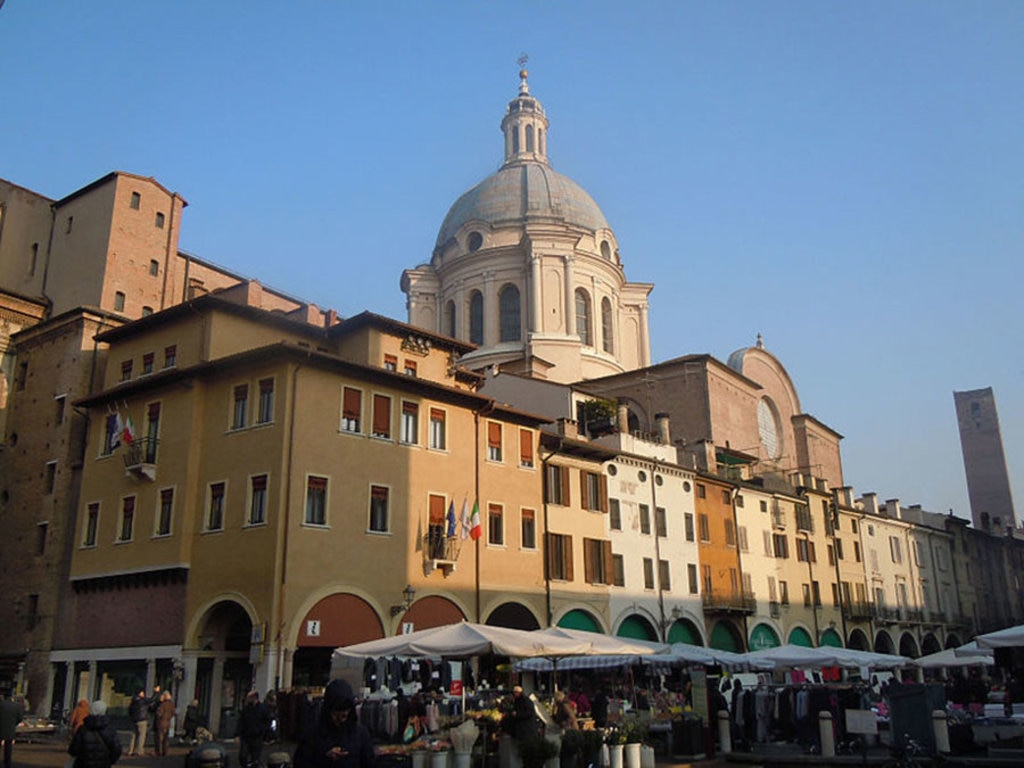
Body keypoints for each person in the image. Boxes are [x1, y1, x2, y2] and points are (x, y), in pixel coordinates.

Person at [293, 678, 375, 768]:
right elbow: (301, 763)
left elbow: (369, 763)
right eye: (337, 717)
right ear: (328, 711)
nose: (342, 720)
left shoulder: (360, 734)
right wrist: (325, 759)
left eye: (344, 716)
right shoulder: (312, 736)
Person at [67, 700, 122, 768]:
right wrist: (109, 761)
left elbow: (73, 750)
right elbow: (117, 749)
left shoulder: (83, 729)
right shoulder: (110, 730)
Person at [236, 690, 272, 768]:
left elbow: (268, 722)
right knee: (242, 756)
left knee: (255, 758)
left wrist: (266, 735)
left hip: (257, 737)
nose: (247, 699)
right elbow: (241, 721)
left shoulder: (262, 709)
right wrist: (237, 734)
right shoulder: (246, 709)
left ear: (254, 698)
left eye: (249, 697)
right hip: (246, 736)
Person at [0, 693, 23, 768]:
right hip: (10, 730)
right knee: (8, 749)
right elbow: (20, 718)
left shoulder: (1, 705)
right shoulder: (16, 706)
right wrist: (13, 723)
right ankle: (7, 764)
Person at [127, 688, 150, 756]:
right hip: (142, 720)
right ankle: (139, 751)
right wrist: (156, 692)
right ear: (140, 693)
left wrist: (132, 717)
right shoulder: (143, 701)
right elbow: (151, 700)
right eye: (143, 693)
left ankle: (130, 750)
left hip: (134, 720)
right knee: (141, 736)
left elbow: (129, 711)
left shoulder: (133, 701)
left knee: (133, 736)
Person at [154, 691, 175, 757]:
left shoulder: (162, 705)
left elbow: (159, 713)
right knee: (166, 739)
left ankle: (158, 752)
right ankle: (165, 752)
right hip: (167, 723)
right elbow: (173, 713)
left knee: (159, 739)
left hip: (161, 723)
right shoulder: (172, 704)